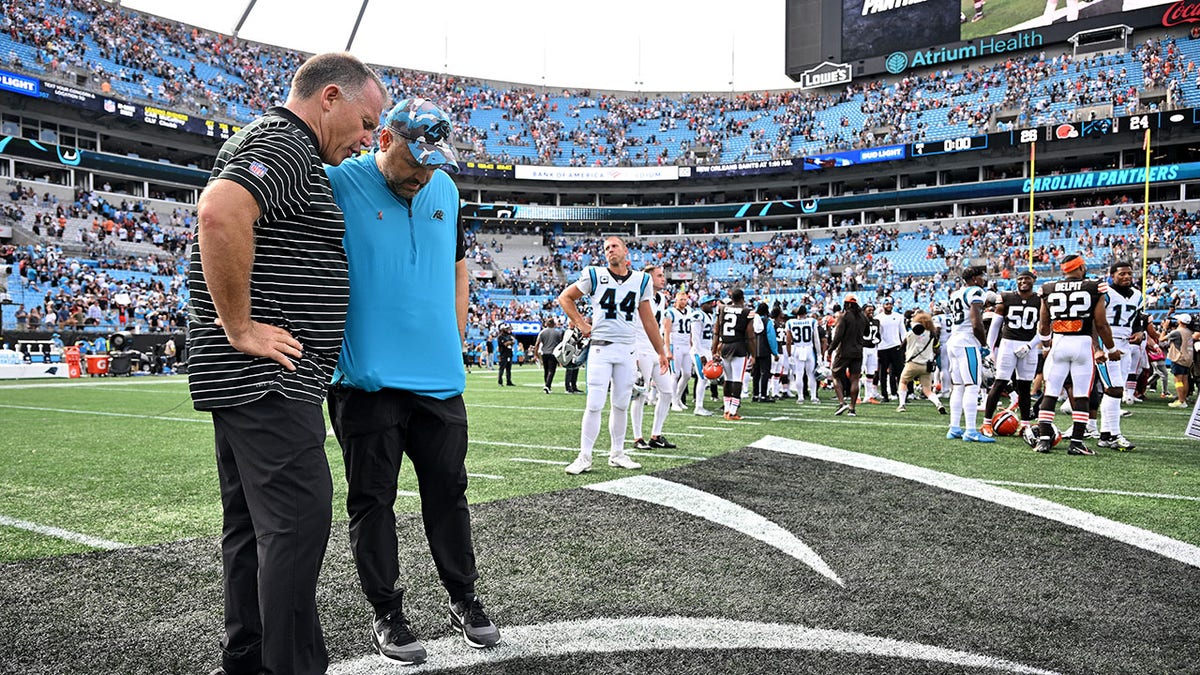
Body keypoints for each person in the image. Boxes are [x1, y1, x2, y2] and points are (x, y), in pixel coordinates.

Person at [187, 52, 387, 675]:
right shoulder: (286, 142)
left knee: (254, 530)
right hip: (267, 381)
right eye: (365, 120)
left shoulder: (274, 142)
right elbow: (220, 211)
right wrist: (241, 327)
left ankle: (247, 659)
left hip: (250, 383)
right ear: (330, 98)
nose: (367, 139)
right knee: (298, 524)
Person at [325, 97, 500, 665]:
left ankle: (465, 599)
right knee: (372, 502)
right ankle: (387, 612)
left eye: (434, 163)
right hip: (366, 383)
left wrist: (455, 336)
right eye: (416, 160)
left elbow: (456, 266)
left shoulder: (445, 189)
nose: (424, 174)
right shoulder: (337, 182)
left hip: (439, 381)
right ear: (383, 140)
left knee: (449, 495)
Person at [558, 236, 669, 474]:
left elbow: (649, 320)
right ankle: (584, 456)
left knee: (620, 404)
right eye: (606, 248)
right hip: (600, 347)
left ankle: (617, 453)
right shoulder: (595, 275)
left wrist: (661, 351)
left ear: (625, 251)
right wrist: (580, 324)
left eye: (614, 246)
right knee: (595, 403)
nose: (610, 250)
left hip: (627, 348)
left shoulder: (641, 280)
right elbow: (565, 297)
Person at [1034, 254, 1118, 455]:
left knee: (1050, 392)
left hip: (1059, 343)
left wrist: (1046, 344)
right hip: (1082, 344)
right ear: (1080, 267)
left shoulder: (1048, 288)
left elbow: (1044, 324)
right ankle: (1077, 443)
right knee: (1081, 395)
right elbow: (1101, 324)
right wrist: (1111, 349)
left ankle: (1044, 440)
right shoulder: (1095, 287)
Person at [981, 269, 1041, 434]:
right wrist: (990, 348)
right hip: (1008, 343)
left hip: (1029, 345)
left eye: (1027, 279)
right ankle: (986, 423)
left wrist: (1030, 345)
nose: (1023, 282)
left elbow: (1044, 329)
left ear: (1033, 280)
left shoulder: (1040, 300)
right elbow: (995, 325)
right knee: (1000, 382)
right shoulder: (1007, 297)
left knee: (1024, 386)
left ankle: (1025, 424)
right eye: (1020, 279)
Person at [945, 265, 995, 443]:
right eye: (981, 276)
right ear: (974, 279)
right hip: (967, 342)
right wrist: (983, 344)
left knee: (958, 386)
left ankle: (955, 427)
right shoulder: (975, 291)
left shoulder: (956, 293)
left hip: (954, 341)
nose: (983, 279)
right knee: (972, 386)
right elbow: (976, 323)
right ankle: (971, 430)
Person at [629, 265, 677, 450]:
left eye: (663, 275)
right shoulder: (637, 296)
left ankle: (656, 435)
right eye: (659, 276)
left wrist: (663, 350)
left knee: (667, 391)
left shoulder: (662, 298)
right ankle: (637, 437)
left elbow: (658, 327)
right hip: (640, 348)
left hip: (655, 349)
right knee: (640, 394)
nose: (663, 279)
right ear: (648, 279)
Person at [1095, 261, 1141, 450]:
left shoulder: (1137, 294)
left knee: (1114, 390)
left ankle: (1106, 435)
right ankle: (1114, 435)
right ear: (1112, 275)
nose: (1126, 277)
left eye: (1129, 274)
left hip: (1126, 344)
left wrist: (1139, 332)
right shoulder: (1105, 292)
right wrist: (1098, 347)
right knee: (1114, 389)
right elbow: (1095, 320)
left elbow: (1137, 318)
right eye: (1122, 274)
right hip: (1107, 342)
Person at [712, 289, 755, 420]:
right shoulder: (747, 312)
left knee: (728, 379)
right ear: (742, 298)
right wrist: (754, 354)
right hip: (739, 347)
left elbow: (716, 331)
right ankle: (733, 411)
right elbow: (750, 335)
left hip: (724, 346)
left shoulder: (722, 309)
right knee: (737, 380)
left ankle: (726, 409)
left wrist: (714, 351)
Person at [896, 311, 946, 414]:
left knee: (903, 382)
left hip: (912, 363)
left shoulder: (910, 334)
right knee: (927, 390)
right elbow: (937, 349)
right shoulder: (932, 334)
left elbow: (902, 346)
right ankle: (938, 404)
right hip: (926, 365)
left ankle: (901, 405)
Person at [829, 295, 866, 417]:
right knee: (855, 379)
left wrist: (830, 349)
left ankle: (841, 402)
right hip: (858, 351)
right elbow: (866, 332)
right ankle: (852, 408)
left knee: (835, 375)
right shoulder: (862, 317)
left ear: (847, 304)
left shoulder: (843, 316)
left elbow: (838, 336)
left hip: (844, 351)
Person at [785, 304, 824, 404]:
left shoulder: (790, 322)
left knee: (799, 374)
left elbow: (788, 341)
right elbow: (816, 339)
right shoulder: (812, 321)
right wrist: (819, 354)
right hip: (808, 349)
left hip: (797, 349)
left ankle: (800, 397)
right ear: (805, 313)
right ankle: (813, 397)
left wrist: (789, 355)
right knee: (811, 374)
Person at [665, 291, 694, 411]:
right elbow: (666, 333)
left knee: (687, 374)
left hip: (686, 345)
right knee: (675, 374)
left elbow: (691, 330)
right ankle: (673, 402)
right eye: (681, 299)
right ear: (676, 300)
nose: (683, 302)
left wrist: (692, 343)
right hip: (675, 344)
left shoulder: (690, 311)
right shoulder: (670, 312)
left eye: (685, 299)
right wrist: (668, 350)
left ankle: (677, 398)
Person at [689, 295, 718, 416]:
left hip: (707, 350)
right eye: (709, 303)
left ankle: (700, 405)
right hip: (699, 350)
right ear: (703, 305)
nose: (712, 304)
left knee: (705, 379)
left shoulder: (709, 316)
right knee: (702, 378)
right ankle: (698, 407)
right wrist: (700, 354)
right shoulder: (698, 315)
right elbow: (695, 337)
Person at [875, 297, 905, 402]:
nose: (889, 306)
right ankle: (884, 395)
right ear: (883, 305)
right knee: (883, 373)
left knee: (900, 372)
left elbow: (903, 332)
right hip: (882, 347)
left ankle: (902, 394)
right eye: (887, 304)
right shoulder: (878, 318)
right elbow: (876, 334)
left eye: (890, 304)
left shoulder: (899, 317)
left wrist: (903, 345)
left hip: (896, 346)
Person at [1162, 313, 1194, 408]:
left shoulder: (1177, 332)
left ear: (1180, 321)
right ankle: (1183, 399)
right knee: (1185, 380)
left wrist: (1164, 328)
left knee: (1178, 380)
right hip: (1188, 358)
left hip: (1178, 358)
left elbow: (1161, 338)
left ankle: (1181, 401)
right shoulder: (1189, 331)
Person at [534, 318, 564, 394]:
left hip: (544, 353)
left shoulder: (542, 332)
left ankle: (547, 385)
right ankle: (547, 385)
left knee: (546, 370)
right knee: (551, 370)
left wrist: (535, 354)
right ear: (554, 324)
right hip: (553, 353)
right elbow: (561, 344)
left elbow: (537, 344)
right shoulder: (557, 333)